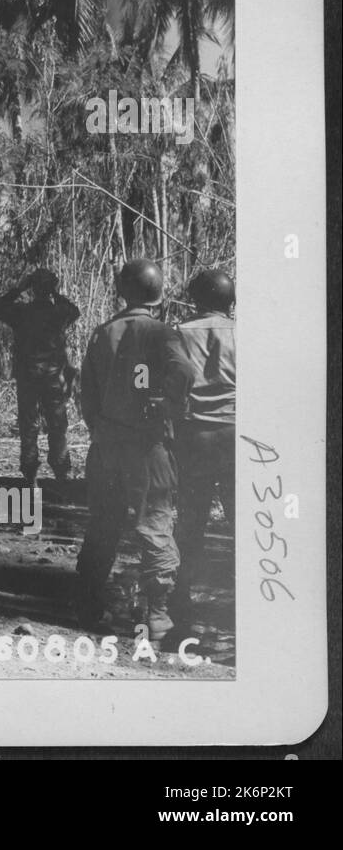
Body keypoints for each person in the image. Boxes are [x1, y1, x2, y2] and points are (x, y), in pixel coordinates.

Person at [75, 258, 193, 639]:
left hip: (108, 445)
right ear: (158, 294)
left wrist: (101, 427)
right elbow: (185, 372)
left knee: (102, 524)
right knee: (155, 523)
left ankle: (90, 606)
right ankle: (157, 615)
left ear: (124, 292)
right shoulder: (162, 333)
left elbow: (87, 393)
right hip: (148, 447)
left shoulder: (101, 333)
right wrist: (168, 407)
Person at [170, 269, 236, 635]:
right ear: (230, 300)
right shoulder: (245, 333)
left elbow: (169, 381)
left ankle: (181, 599)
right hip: (235, 433)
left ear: (196, 298)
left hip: (193, 434)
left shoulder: (180, 332)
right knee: (239, 520)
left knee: (191, 520)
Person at [0, 269, 81, 488]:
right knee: (57, 423)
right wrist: (56, 293)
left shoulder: (21, 313)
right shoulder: (59, 312)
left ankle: (30, 472)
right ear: (51, 288)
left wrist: (19, 288)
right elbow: (75, 311)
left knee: (29, 424)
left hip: (28, 376)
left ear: (33, 288)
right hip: (53, 376)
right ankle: (61, 472)